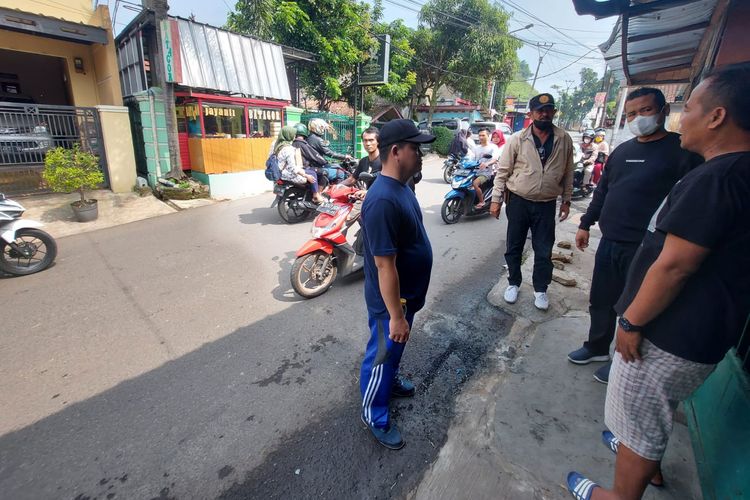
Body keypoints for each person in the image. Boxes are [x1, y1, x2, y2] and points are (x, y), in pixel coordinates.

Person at [566, 63, 750, 500]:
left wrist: (629, 323)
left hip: (672, 331)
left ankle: (619, 493)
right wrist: (589, 221)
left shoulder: (716, 176)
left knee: (641, 409)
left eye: (688, 108)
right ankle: (644, 463)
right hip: (699, 329)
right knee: (650, 414)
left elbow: (675, 266)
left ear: (717, 117)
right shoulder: (733, 172)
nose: (681, 118)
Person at [567, 87, 703, 388]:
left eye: (644, 111)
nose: (637, 119)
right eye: (631, 114)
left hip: (647, 248)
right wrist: (586, 224)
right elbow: (603, 191)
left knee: (633, 305)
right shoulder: (622, 152)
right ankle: (597, 346)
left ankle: (622, 359)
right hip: (610, 240)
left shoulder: (683, 152)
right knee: (601, 298)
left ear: (663, 111)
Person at [359, 119, 435, 450]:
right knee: (381, 356)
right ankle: (374, 413)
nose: (420, 155)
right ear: (396, 151)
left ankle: (389, 384)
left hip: (406, 299)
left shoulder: (401, 187)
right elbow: (383, 264)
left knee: (394, 351)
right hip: (392, 304)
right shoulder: (382, 201)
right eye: (415, 148)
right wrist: (396, 315)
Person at [489, 93, 574, 311]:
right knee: (514, 246)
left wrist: (566, 200)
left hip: (546, 204)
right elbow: (503, 171)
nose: (544, 114)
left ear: (554, 112)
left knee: (544, 249)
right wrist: (496, 199)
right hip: (519, 201)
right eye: (540, 110)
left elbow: (568, 172)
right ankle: (514, 283)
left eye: (549, 110)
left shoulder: (564, 139)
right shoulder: (517, 139)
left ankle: (540, 289)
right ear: (531, 114)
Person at [275, 126, 324, 204]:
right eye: (293, 134)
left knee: (309, 171)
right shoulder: (288, 149)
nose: (295, 136)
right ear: (289, 135)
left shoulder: (277, 145)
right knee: (313, 173)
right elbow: (293, 168)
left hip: (279, 172)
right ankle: (316, 195)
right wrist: (306, 176)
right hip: (287, 173)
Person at [306, 118, 352, 183]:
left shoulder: (309, 137)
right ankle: (336, 191)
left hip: (313, 164)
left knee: (336, 165)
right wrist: (344, 156)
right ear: (317, 128)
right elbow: (330, 153)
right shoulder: (318, 140)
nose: (323, 130)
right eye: (322, 128)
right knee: (340, 173)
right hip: (317, 165)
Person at [467, 128, 501, 209]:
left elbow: (495, 159)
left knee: (475, 184)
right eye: (480, 135)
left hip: (486, 173)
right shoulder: (476, 148)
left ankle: (482, 201)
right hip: (475, 172)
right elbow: (471, 158)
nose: (481, 137)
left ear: (488, 136)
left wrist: (487, 163)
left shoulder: (493, 147)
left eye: (483, 135)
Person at [292, 123, 327, 187]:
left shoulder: (292, 143)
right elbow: (314, 155)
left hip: (295, 168)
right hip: (304, 168)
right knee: (324, 172)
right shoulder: (303, 144)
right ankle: (317, 194)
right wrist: (324, 161)